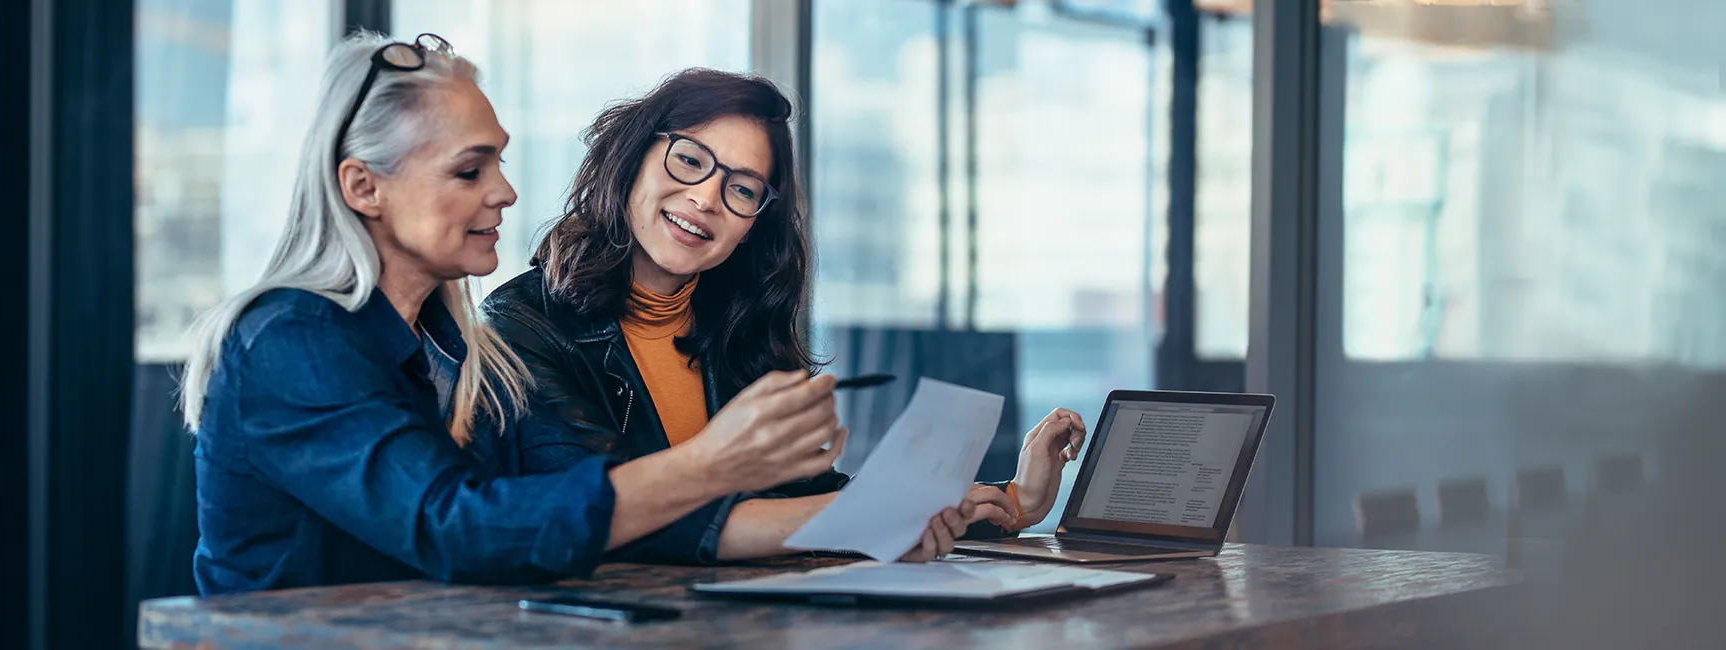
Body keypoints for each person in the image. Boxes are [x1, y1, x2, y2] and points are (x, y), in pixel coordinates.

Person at [182, 34, 974, 595]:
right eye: (470, 168)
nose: (505, 192)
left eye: (498, 159)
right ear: (363, 188)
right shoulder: (290, 340)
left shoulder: (455, 348)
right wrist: (713, 464)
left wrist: (892, 515)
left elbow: (588, 510)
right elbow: (456, 528)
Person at [482, 68, 1088, 562]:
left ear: (752, 227)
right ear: (633, 158)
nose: (706, 198)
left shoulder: (734, 329)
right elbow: (612, 515)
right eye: (690, 160)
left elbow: (804, 500)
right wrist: (877, 517)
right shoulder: (519, 327)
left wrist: (1014, 500)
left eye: (742, 189)